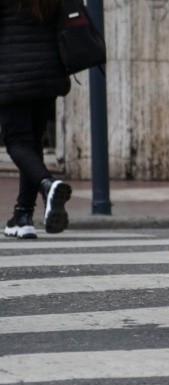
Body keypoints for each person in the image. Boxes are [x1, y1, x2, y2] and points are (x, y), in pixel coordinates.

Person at [1, 0, 73, 239]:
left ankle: (48, 185)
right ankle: (22, 216)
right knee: (33, 143)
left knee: (16, 143)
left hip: (14, 75)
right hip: (48, 75)